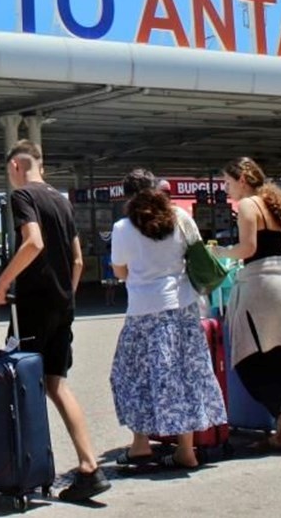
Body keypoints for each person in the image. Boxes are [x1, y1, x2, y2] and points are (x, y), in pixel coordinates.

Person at [0, 140, 111, 501]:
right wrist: (67, 297)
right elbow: (76, 260)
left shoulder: (22, 197)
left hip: (33, 305)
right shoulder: (61, 200)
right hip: (62, 305)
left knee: (21, 383)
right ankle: (89, 465)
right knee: (57, 383)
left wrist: (2, 283)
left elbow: (33, 243)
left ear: (14, 166)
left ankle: (24, 471)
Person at [109, 169, 227, 470]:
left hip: (143, 310)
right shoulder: (180, 218)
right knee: (183, 374)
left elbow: (120, 271)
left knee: (132, 375)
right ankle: (186, 449)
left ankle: (140, 445)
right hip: (183, 306)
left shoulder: (123, 227)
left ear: (127, 196)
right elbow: (198, 254)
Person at [210, 157, 281, 451]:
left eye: (228, 183)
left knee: (247, 358)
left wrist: (221, 251)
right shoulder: (274, 203)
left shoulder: (249, 205)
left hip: (262, 286)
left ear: (242, 179)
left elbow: (249, 248)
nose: (227, 190)